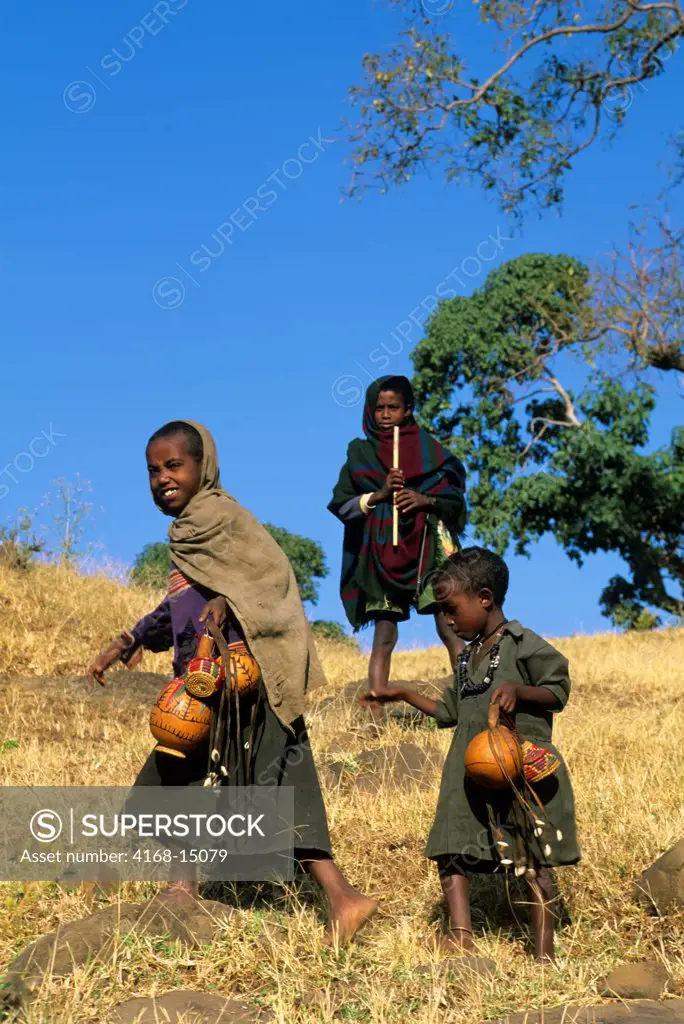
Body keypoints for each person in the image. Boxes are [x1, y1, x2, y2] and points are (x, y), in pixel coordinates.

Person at [87, 419, 377, 941]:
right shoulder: (187, 534)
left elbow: (267, 583)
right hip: (199, 689)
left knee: (281, 787)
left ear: (204, 466)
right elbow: (176, 606)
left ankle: (342, 898)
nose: (162, 478)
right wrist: (129, 640)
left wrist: (230, 605)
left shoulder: (225, 520)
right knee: (171, 776)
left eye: (174, 465)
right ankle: (183, 884)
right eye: (153, 470)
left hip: (248, 688)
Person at [360, 547, 580, 962]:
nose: (446, 619)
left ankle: (544, 954)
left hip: (518, 765)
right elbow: (448, 713)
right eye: (442, 611)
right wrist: (402, 694)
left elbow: (558, 691)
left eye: (450, 608)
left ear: (484, 598)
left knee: (533, 859)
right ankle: (460, 934)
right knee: (452, 845)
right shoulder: (467, 659)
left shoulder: (523, 643)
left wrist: (519, 691)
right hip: (469, 768)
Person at [328, 375, 467, 700]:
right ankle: (375, 707)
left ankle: (470, 694)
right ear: (369, 411)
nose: (386, 414)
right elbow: (342, 505)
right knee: (385, 631)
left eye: (394, 407)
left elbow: (454, 499)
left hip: (428, 550)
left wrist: (425, 500)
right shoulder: (359, 453)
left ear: (408, 410)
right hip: (380, 554)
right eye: (379, 408)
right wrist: (380, 494)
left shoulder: (428, 449)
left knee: (448, 622)